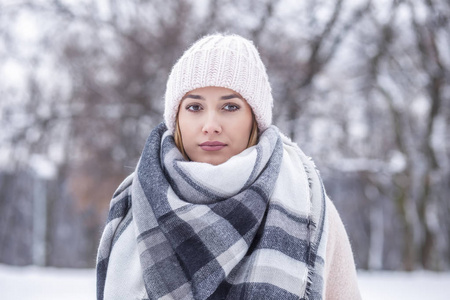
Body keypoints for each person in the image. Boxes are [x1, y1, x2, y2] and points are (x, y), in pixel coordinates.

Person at [96, 33, 361, 300]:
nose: (211, 124)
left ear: (254, 120)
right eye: (195, 106)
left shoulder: (307, 207)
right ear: (176, 118)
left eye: (230, 106)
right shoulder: (134, 201)